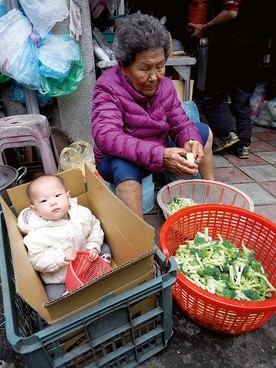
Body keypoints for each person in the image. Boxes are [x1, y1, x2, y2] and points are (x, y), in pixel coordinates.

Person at [91, 12, 214, 218]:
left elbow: (180, 122)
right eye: (145, 69)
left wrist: (190, 140)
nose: (154, 77)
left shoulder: (165, 85)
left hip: (156, 148)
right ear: (124, 67)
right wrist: (160, 155)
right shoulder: (107, 88)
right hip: (122, 156)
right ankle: (139, 238)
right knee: (125, 168)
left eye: (160, 66)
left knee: (202, 132)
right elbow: (106, 136)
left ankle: (211, 190)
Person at [188, 0, 271, 159]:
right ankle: (243, 145)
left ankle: (227, 134)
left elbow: (231, 11)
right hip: (254, 48)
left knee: (212, 97)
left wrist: (205, 27)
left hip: (229, 48)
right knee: (242, 99)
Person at [17, 175, 111, 301]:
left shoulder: (81, 213)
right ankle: (70, 295)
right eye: (44, 201)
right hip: (60, 277)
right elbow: (37, 260)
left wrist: (93, 246)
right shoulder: (36, 235)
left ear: (67, 196)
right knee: (52, 295)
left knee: (104, 246)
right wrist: (61, 256)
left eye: (57, 195)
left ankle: (100, 266)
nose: (53, 202)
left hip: (86, 261)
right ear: (35, 210)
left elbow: (94, 227)